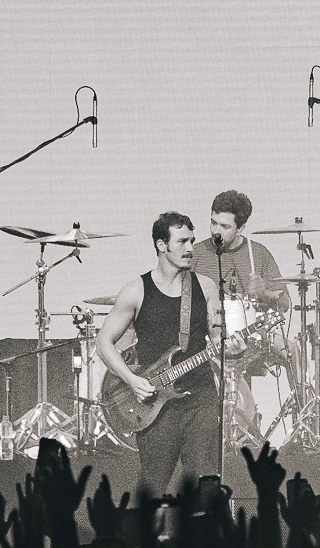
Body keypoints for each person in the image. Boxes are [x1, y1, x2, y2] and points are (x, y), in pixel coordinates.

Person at [96, 211, 224, 495]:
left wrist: (235, 348)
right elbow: (103, 343)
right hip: (155, 403)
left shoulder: (205, 287)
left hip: (201, 397)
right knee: (152, 487)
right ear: (161, 245)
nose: (190, 248)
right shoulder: (136, 291)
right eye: (182, 241)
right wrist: (131, 380)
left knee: (204, 485)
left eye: (192, 240)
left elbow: (219, 340)